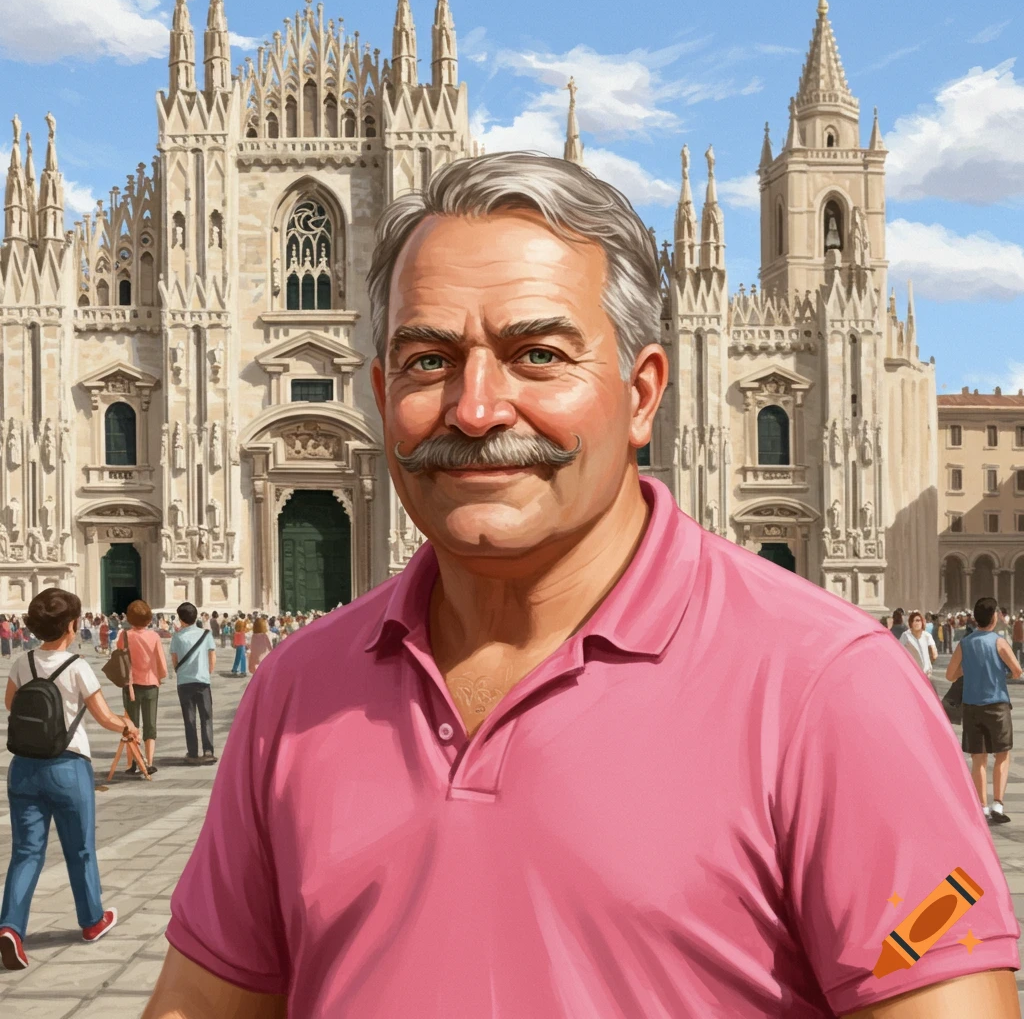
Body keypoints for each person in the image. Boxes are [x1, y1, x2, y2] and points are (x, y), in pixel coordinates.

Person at [143, 152, 1021, 1019]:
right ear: (379, 395)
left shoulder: (831, 686)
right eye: (427, 361)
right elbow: (200, 1004)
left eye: (538, 354)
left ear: (642, 395)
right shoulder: (296, 688)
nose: (476, 409)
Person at [1, 588, 140, 970]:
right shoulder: (77, 666)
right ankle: (92, 920)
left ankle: (10, 927)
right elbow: (103, 716)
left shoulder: (23, 662)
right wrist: (126, 726)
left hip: (24, 768)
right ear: (72, 625)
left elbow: (12, 704)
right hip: (67, 766)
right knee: (79, 849)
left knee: (26, 852)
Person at [947, 596, 1024, 825]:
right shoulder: (999, 642)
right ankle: (998, 804)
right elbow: (1017, 671)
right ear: (994, 617)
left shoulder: (965, 643)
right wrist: (1001, 673)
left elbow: (950, 675)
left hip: (972, 706)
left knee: (978, 759)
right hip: (997, 704)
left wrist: (968, 671)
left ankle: (982, 807)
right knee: (1002, 754)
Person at [116, 600, 167, 775]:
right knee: (150, 724)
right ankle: (149, 761)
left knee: (132, 725)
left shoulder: (124, 636)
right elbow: (161, 662)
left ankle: (134, 762)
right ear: (148, 619)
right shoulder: (154, 637)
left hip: (130, 685)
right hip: (151, 684)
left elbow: (120, 657)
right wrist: (160, 676)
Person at [169, 602, 217, 766]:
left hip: (184, 682)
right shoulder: (206, 634)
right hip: (203, 681)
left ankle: (193, 752)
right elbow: (212, 657)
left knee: (189, 719)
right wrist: (206, 672)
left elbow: (174, 660)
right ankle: (208, 751)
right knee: (206, 717)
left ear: (181, 619)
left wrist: (181, 672)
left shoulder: (177, 637)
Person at [900, 610, 937, 676]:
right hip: (911, 672)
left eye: (918, 620)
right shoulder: (905, 635)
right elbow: (899, 652)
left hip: (926, 673)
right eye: (913, 621)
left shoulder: (927, 636)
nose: (915, 623)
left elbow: (934, 654)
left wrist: (928, 663)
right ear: (910, 623)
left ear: (922, 622)